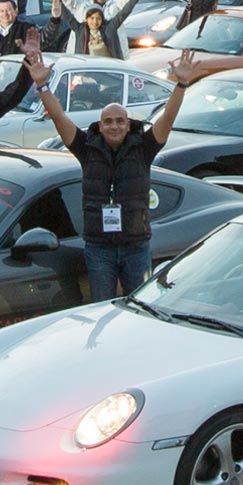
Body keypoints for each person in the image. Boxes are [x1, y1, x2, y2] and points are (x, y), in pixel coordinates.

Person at [32, 50, 192, 299]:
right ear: (100, 124)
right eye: (108, 121)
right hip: (99, 248)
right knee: (101, 306)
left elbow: (168, 117)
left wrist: (181, 84)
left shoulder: (144, 147)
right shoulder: (86, 148)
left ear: (129, 125)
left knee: (138, 305)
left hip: (135, 246)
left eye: (120, 121)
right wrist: (42, 85)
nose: (114, 126)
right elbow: (59, 117)